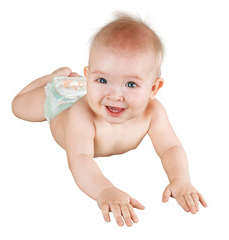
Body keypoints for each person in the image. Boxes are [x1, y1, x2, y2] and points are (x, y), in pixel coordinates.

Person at [11, 11, 208, 227]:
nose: (114, 95)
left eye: (130, 84)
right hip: (62, 101)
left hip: (83, 90)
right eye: (102, 79)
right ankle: (54, 78)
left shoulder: (153, 112)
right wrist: (105, 190)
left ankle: (75, 80)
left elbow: (170, 147)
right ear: (90, 76)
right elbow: (80, 159)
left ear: (153, 88)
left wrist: (180, 179)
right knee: (18, 106)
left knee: (87, 90)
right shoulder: (81, 114)